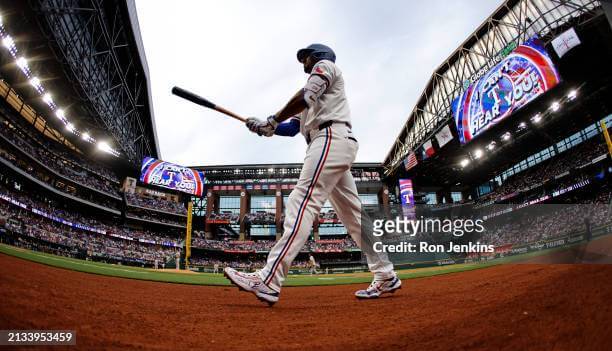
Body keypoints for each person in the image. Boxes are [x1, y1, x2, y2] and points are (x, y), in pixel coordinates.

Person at [224, 44, 400, 306]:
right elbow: (292, 127)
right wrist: (263, 127)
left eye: (305, 56)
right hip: (334, 142)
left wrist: (270, 120)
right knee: (354, 216)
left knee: (302, 201)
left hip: (329, 138)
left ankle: (268, 279)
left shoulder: (325, 68)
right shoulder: (313, 101)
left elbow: (304, 97)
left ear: (318, 56)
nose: (303, 61)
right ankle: (385, 274)